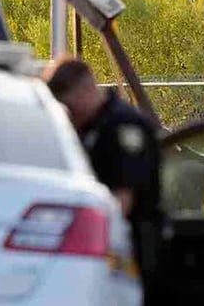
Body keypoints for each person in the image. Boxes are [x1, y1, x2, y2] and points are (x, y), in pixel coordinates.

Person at [42, 57, 162, 303]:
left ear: (86, 91)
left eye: (70, 108)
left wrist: (88, 238)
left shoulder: (123, 127)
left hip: (126, 243)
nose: (70, 117)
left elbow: (123, 200)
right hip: (101, 242)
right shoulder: (91, 126)